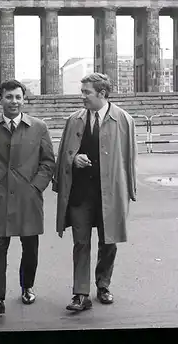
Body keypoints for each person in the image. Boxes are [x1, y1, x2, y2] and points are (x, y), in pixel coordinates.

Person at [53, 73, 137, 311]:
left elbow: (130, 157)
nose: (83, 97)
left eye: (87, 92)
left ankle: (103, 285)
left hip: (110, 193)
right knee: (80, 243)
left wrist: (130, 189)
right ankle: (80, 294)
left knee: (108, 242)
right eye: (82, 92)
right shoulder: (74, 119)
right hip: (80, 194)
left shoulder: (124, 119)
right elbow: (63, 155)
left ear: (102, 93)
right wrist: (73, 158)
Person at [0, 79, 55, 315]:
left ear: (24, 99)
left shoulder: (38, 127)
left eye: (18, 97)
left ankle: (27, 286)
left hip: (29, 198)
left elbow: (48, 162)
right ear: (0, 99)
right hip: (1, 200)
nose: (14, 102)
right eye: (9, 97)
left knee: (30, 247)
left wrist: (36, 187)